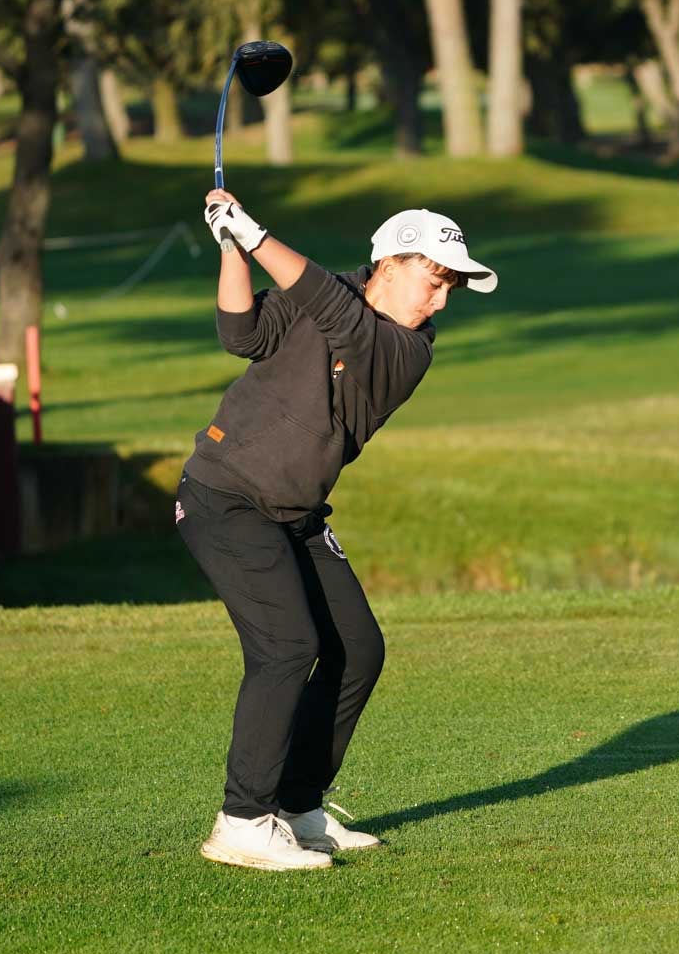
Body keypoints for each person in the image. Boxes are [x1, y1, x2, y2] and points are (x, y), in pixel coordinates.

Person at [175, 188, 497, 871]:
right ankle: (241, 819)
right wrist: (234, 247)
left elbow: (333, 309)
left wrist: (255, 233)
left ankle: (298, 807)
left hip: (294, 510)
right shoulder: (329, 292)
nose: (439, 301)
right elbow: (242, 332)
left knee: (357, 648)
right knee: (288, 645)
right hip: (224, 495)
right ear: (389, 261)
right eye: (434, 280)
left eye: (450, 289)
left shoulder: (407, 348)